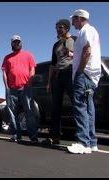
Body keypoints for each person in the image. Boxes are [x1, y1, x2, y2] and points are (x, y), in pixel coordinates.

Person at [67, 9, 102, 154]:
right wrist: (74, 55)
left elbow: (87, 51)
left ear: (80, 18)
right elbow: (85, 50)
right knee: (88, 109)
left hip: (84, 75)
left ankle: (83, 143)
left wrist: (80, 70)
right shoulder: (91, 31)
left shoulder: (86, 30)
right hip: (91, 76)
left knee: (80, 107)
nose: (72, 22)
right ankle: (92, 142)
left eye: (74, 20)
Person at [42, 19, 75, 145]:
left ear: (67, 28)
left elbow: (83, 55)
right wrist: (49, 82)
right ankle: (54, 136)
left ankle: (83, 138)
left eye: (60, 27)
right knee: (55, 107)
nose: (58, 30)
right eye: (56, 27)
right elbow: (52, 65)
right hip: (58, 75)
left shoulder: (76, 40)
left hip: (71, 72)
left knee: (76, 104)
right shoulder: (56, 45)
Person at [1, 35, 39, 143]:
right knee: (12, 112)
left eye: (18, 42)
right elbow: (4, 72)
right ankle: (16, 135)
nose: (16, 44)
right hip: (11, 89)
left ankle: (33, 137)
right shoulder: (7, 58)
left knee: (29, 112)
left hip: (25, 88)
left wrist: (29, 84)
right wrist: (7, 87)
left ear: (21, 43)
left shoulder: (28, 55)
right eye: (14, 42)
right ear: (11, 44)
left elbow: (32, 69)